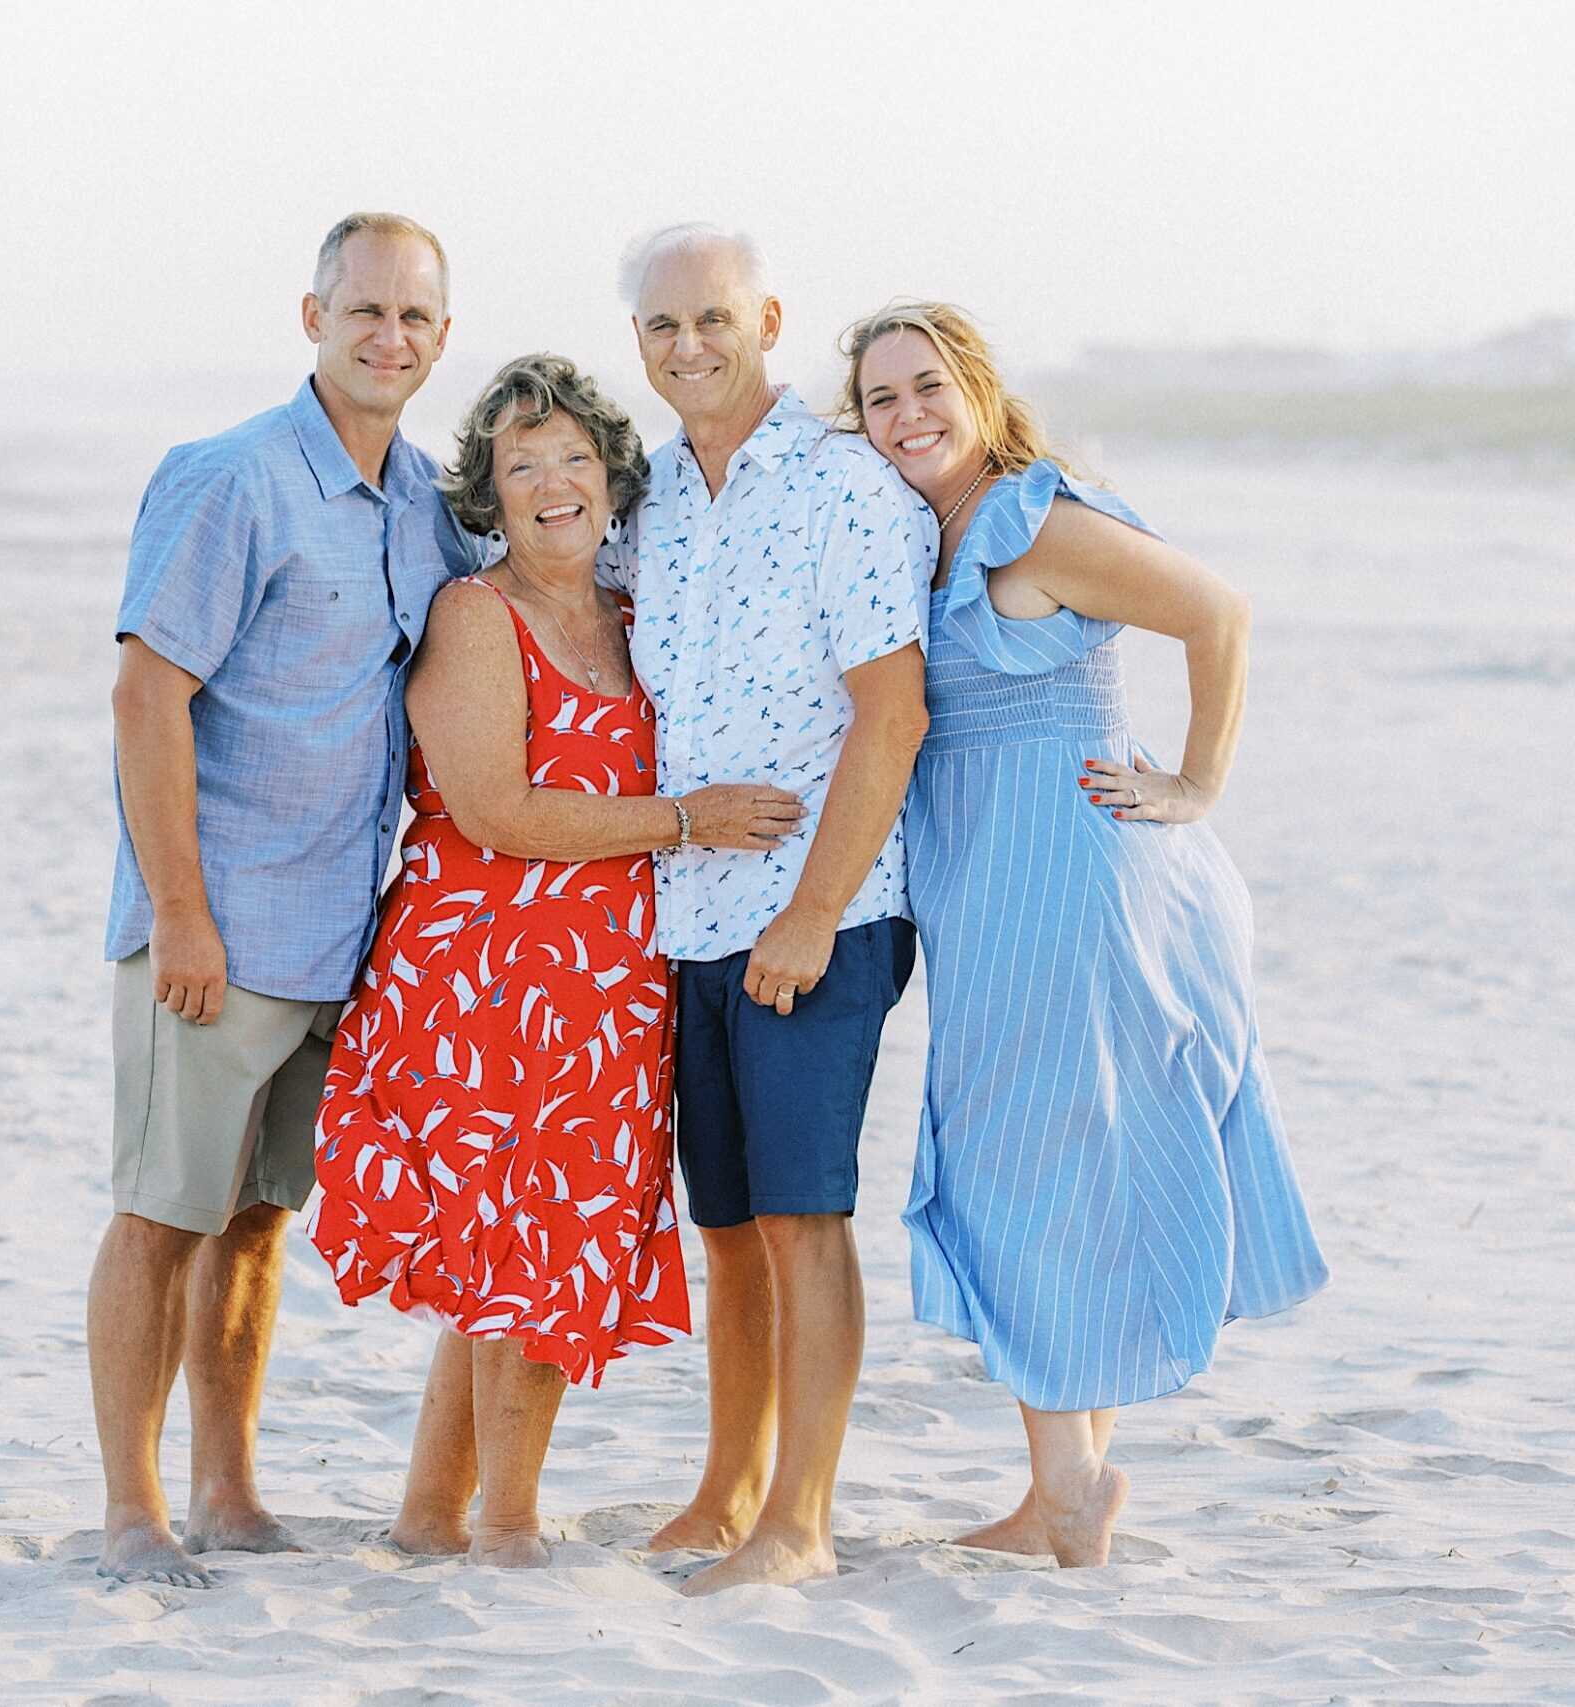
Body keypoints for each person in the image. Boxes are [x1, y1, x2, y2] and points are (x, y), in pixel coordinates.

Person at [840, 301, 1329, 1568]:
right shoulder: (923, 534)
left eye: (927, 387)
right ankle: (1065, 1482)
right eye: (881, 398)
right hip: (1001, 892)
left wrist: (1198, 785)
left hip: (1077, 888)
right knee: (1059, 1155)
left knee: (1023, 1161)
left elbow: (1218, 613)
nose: (907, 416)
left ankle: (1065, 1491)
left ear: (980, 392)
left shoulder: (1030, 521)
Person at [308, 354, 804, 1568]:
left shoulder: (631, 614)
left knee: (509, 1253)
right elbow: (497, 812)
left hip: (601, 985)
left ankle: (432, 1521)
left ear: (611, 475)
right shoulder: (479, 617)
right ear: (486, 493)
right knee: (525, 1248)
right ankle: (510, 1526)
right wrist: (690, 818)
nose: (551, 484)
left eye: (573, 457)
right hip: (483, 980)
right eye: (519, 466)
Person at [86, 212, 475, 1588]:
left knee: (256, 1217)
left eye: (416, 317)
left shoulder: (427, 498)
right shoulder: (231, 477)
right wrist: (181, 908)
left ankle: (227, 1490)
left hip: (337, 935)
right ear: (311, 317)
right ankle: (133, 1508)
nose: (390, 336)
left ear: (442, 336)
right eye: (364, 309)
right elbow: (148, 692)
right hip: (217, 927)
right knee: (161, 1211)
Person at [608, 226, 937, 1595]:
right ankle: (727, 1484)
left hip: (823, 910)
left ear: (769, 319)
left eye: (714, 318)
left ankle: (800, 1517)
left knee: (804, 1216)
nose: (689, 345)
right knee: (728, 1221)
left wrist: (809, 913)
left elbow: (892, 710)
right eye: (663, 324)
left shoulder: (846, 485)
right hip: (690, 911)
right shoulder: (659, 499)